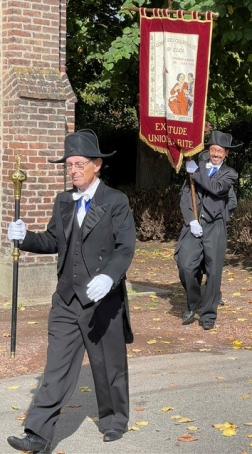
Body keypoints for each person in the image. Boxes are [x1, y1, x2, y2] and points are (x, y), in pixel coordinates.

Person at [7, 129, 136, 453]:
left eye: (79, 164)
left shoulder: (115, 201)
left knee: (108, 366)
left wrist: (109, 277)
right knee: (56, 367)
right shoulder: (63, 201)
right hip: (66, 298)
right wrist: (25, 237)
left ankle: (114, 420)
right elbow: (53, 241)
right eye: (70, 165)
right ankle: (37, 433)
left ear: (97, 166)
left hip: (102, 302)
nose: (74, 169)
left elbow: (125, 247)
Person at [175, 130, 241, 330]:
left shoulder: (230, 174)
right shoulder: (197, 168)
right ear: (209, 150)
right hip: (195, 224)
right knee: (185, 263)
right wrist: (191, 220)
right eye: (213, 149)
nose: (216, 154)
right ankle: (194, 302)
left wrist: (195, 172)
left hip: (216, 227)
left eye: (220, 151)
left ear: (226, 154)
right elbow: (186, 196)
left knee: (213, 272)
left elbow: (215, 187)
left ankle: (208, 314)